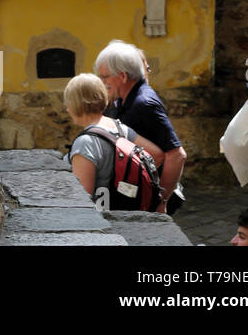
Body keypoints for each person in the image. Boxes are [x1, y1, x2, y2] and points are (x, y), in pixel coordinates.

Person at [96, 40, 185, 214]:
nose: (102, 82)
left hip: (146, 198)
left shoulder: (144, 104)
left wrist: (161, 201)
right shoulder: (125, 99)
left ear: (122, 76)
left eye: (105, 77)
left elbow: (176, 155)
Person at [64, 73, 165, 206]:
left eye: (68, 103)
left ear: (75, 104)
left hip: (102, 219)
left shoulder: (85, 143)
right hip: (126, 212)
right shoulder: (120, 128)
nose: (67, 109)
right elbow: (157, 155)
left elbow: (82, 198)